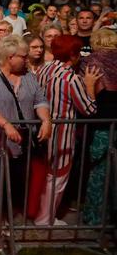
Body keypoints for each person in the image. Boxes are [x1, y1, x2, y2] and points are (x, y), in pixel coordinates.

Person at [0, 35, 52, 234]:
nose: (27, 60)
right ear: (10, 57)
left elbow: (40, 101)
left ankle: (7, 214)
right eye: (23, 56)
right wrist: (6, 125)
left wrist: (46, 120)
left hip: (24, 142)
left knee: (17, 180)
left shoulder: (29, 77)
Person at [34, 35, 100, 226]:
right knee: (57, 177)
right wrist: (89, 85)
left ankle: (40, 214)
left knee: (44, 175)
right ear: (73, 54)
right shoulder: (69, 77)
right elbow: (89, 109)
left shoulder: (43, 68)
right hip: (61, 133)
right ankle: (45, 219)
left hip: (40, 127)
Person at [81, 29, 117, 225]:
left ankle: (94, 218)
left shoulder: (92, 61)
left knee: (99, 171)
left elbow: (89, 98)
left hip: (101, 123)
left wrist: (88, 86)